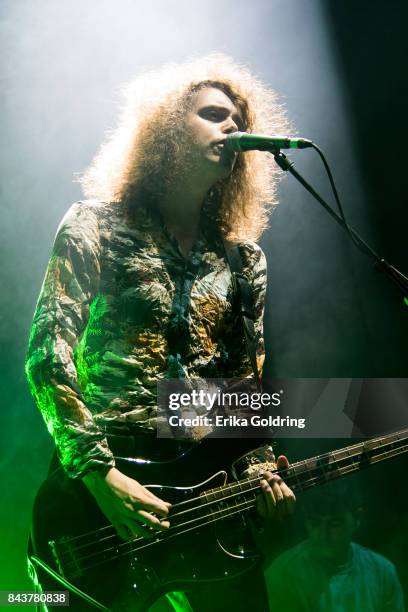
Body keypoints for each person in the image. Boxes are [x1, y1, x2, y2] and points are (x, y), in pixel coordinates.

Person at [25, 54, 295, 611]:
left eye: (240, 118)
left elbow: (242, 387)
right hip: (101, 481)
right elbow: (47, 360)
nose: (234, 127)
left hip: (204, 485)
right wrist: (101, 478)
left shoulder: (244, 261)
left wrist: (260, 468)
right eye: (214, 114)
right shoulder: (96, 225)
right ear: (167, 129)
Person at [264, 483, 405, 611]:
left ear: (357, 519)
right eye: (315, 523)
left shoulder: (382, 572)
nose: (323, 534)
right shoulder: (282, 574)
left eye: (334, 523)